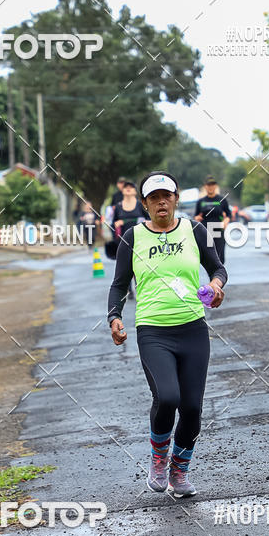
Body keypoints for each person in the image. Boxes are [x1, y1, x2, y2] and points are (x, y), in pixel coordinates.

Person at [107, 171, 227, 498]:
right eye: (154, 198)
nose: (161, 202)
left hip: (193, 329)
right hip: (153, 330)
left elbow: (218, 268)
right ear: (145, 204)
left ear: (176, 199)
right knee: (168, 397)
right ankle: (158, 459)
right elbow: (119, 285)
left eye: (167, 196)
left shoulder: (195, 230)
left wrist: (216, 285)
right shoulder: (133, 237)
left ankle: (179, 469)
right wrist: (114, 316)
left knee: (192, 408)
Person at [194, 176, 231, 264]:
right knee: (208, 256)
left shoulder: (221, 199)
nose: (210, 187)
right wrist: (197, 218)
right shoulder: (201, 201)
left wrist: (226, 221)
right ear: (205, 187)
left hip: (218, 229)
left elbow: (228, 214)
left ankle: (219, 275)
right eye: (208, 185)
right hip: (205, 230)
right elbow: (196, 216)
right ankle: (211, 276)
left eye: (212, 185)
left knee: (219, 256)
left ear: (215, 186)